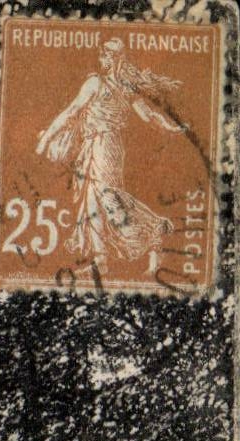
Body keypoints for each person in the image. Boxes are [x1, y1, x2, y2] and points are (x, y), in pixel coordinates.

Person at [36, 37, 186, 274]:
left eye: (105, 56)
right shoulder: (123, 87)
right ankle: (101, 261)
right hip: (100, 145)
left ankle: (155, 229)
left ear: (115, 58)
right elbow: (149, 116)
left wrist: (46, 139)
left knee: (108, 197)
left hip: (103, 145)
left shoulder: (98, 83)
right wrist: (169, 126)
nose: (101, 60)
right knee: (93, 200)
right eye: (101, 56)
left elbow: (72, 111)